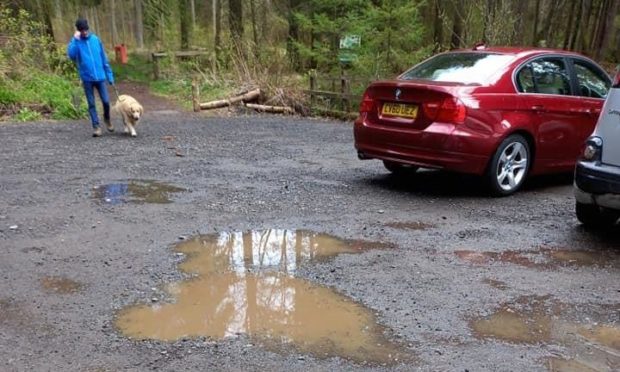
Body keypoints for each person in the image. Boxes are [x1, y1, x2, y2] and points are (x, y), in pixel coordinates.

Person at [67, 18, 115, 137]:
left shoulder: (96, 40)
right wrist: (75, 40)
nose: (84, 32)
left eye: (85, 29)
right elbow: (72, 55)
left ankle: (107, 119)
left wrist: (109, 75)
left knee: (106, 101)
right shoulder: (76, 42)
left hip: (100, 77)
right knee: (91, 103)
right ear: (78, 30)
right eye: (81, 30)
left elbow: (104, 58)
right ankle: (96, 127)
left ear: (88, 28)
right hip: (87, 78)